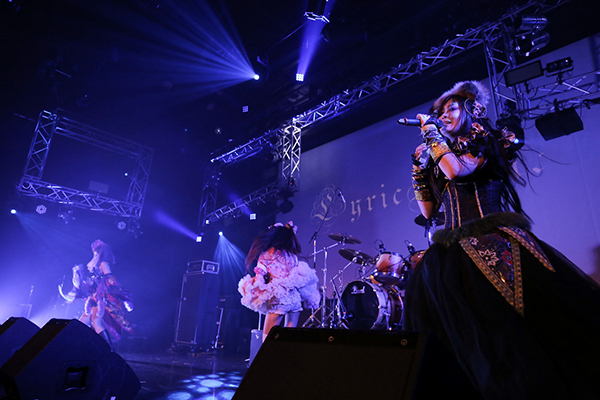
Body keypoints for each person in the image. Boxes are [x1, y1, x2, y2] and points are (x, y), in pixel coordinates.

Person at [403, 81, 600, 399]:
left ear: (471, 111)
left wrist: (431, 134)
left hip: (494, 241)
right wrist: (417, 168)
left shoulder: (487, 142)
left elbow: (456, 171)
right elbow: (428, 211)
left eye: (451, 108)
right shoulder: (440, 154)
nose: (443, 115)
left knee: (513, 329)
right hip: (450, 254)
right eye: (439, 112)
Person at [238, 221, 320, 342]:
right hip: (294, 299)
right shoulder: (292, 256)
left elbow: (260, 276)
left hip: (279, 298)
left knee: (267, 339)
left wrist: (254, 287)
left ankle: (269, 355)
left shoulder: (266, 255)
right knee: (289, 339)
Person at [60, 239, 134, 350]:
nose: (94, 255)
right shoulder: (97, 265)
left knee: (95, 322)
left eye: (96, 252)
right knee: (83, 322)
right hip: (94, 297)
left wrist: (124, 297)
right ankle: (77, 347)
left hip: (100, 298)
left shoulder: (103, 263)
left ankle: (109, 350)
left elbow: (111, 280)